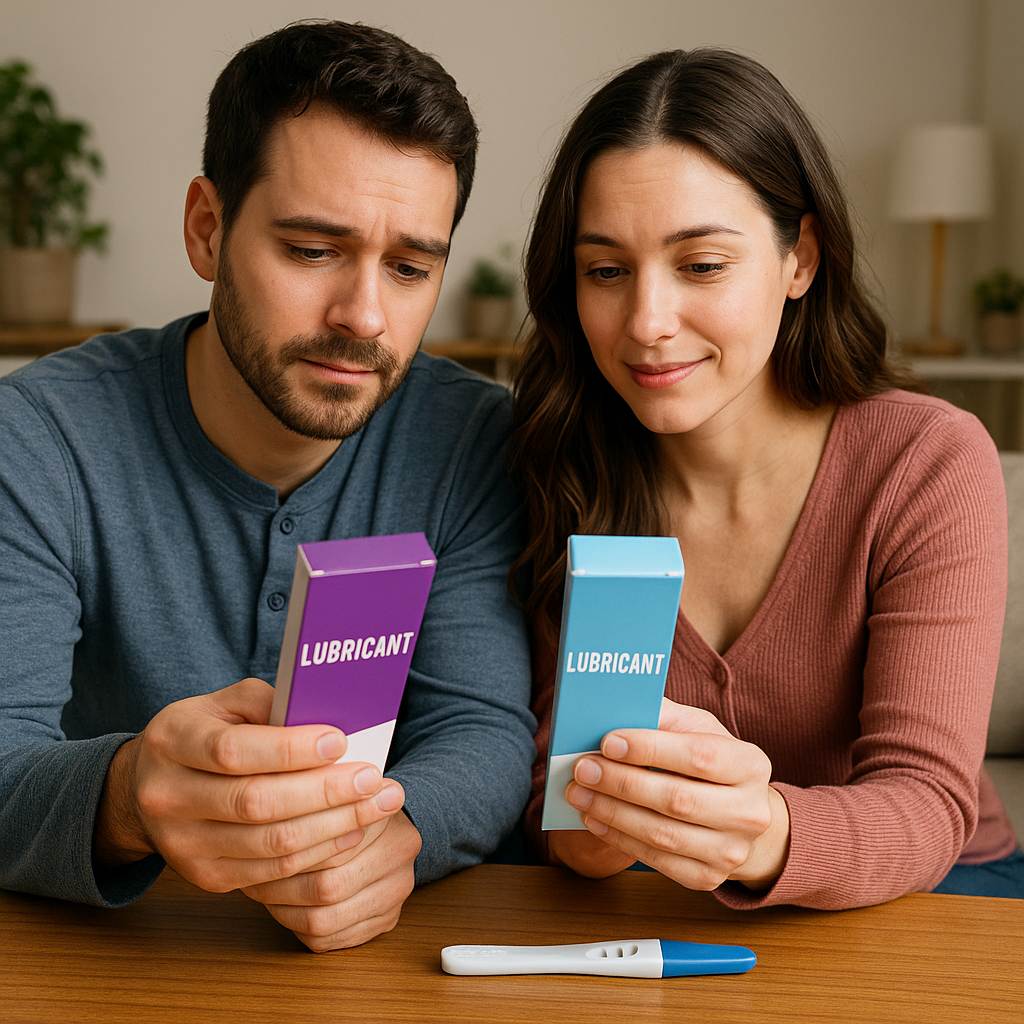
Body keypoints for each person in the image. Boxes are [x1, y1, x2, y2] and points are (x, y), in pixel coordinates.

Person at [0, 21, 536, 951]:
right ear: (208, 229)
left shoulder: (473, 439)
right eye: (312, 250)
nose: (365, 316)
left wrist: (403, 834)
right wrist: (128, 796)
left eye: (411, 268)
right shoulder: (36, 439)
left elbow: (481, 729)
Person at [511, 47, 1023, 908]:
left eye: (702, 265)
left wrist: (765, 833)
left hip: (936, 899)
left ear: (801, 260)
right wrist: (585, 831)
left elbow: (928, 802)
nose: (647, 323)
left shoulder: (926, 460)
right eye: (606, 271)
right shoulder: (557, 463)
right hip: (650, 898)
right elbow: (544, 799)